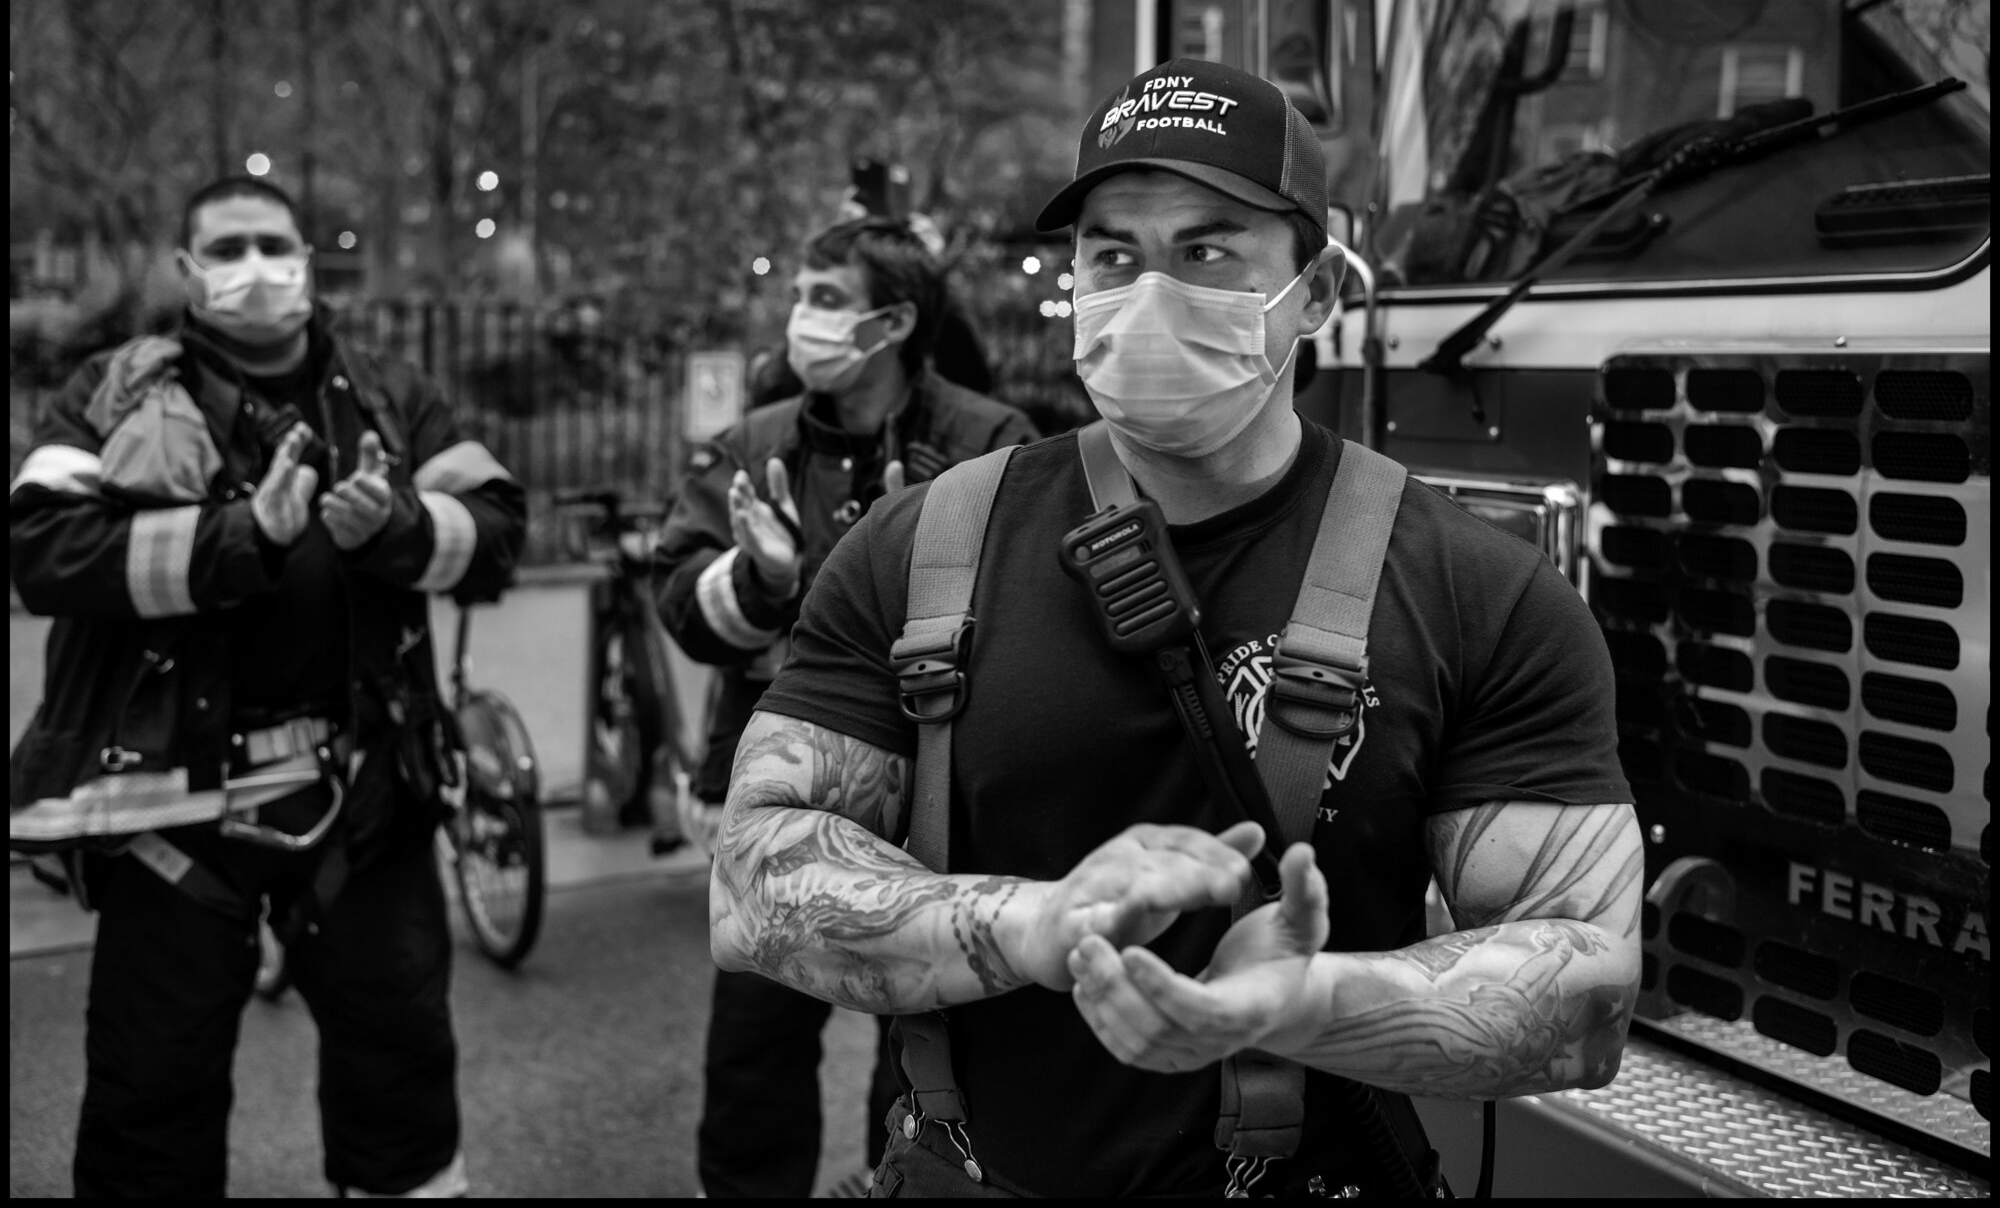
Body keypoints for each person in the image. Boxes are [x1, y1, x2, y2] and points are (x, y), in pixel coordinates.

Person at [709, 58, 1642, 1197]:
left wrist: (1307, 1005)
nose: (1146, 294)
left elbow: (1584, 986)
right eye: (1113, 254)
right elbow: (752, 880)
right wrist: (1031, 919)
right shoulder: (921, 548)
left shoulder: (1477, 593)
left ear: (1317, 292)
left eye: (1206, 250)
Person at [10, 175, 525, 1197]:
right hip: (172, 809)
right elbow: (41, 550)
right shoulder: (114, 390)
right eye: (229, 245)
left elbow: (500, 535)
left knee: (402, 1072)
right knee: (149, 1093)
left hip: (363, 795)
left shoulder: (391, 392)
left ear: (305, 257)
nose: (257, 265)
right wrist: (248, 535)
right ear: (191, 271)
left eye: (274, 243)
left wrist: (398, 529)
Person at [651, 216, 1039, 1197]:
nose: (799, 319)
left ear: (893, 320)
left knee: (922, 1044)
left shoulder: (993, 444)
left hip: (944, 810)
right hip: (783, 803)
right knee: (750, 1051)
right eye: (801, 294)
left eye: (825, 298)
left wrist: (922, 574)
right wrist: (757, 578)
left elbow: (1038, 623)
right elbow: (679, 599)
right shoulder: (753, 443)